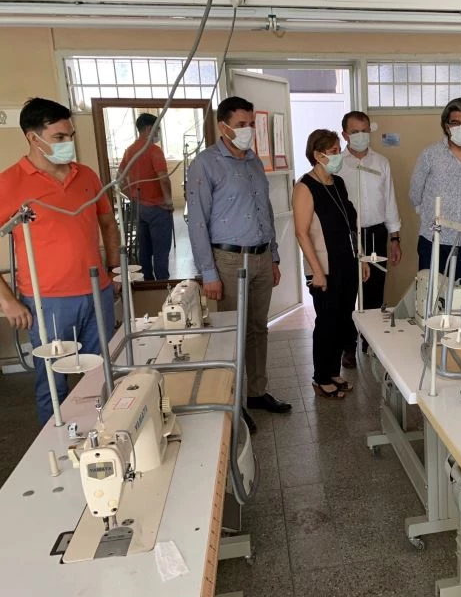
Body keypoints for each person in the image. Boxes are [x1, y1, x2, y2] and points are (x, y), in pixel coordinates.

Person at [0, 97, 118, 425]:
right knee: (53, 385)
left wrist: (113, 270)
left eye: (70, 136)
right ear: (32, 137)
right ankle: (60, 444)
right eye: (59, 137)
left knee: (103, 374)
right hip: (48, 302)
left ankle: (106, 436)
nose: (68, 143)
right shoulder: (9, 183)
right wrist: (8, 301)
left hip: (97, 293)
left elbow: (108, 223)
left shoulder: (86, 176)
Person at [186, 96, 292, 432]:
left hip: (261, 257)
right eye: (241, 125)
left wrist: (273, 256)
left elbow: (266, 212)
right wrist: (208, 273)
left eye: (251, 124)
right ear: (224, 127)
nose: (248, 130)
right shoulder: (205, 164)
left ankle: (256, 392)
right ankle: (232, 401)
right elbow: (197, 222)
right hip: (228, 260)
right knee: (231, 332)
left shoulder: (254, 162)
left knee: (259, 328)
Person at [292, 129, 369, 399]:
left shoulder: (338, 183)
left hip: (347, 261)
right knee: (326, 322)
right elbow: (301, 233)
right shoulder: (305, 187)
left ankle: (334, 371)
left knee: (341, 319)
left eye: (338, 150)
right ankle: (321, 377)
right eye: (334, 151)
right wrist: (317, 272)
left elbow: (350, 225)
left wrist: (361, 257)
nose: (339, 155)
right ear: (318, 155)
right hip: (323, 267)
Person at [338, 110, 401, 363]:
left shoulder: (381, 162)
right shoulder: (337, 163)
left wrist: (395, 238)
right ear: (345, 134)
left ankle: (370, 343)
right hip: (346, 236)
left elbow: (390, 201)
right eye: (355, 132)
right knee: (348, 291)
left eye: (364, 131)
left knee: (374, 291)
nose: (361, 136)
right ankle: (348, 345)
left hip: (376, 233)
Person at [409, 97, 461, 284]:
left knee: (460, 296)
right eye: (455, 122)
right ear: (446, 125)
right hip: (432, 240)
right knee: (429, 294)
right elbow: (415, 193)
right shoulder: (431, 154)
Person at [118, 113, 173, 280]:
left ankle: (147, 283)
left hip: (139, 208)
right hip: (157, 208)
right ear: (150, 128)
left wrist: (132, 196)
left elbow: (119, 178)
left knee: (144, 250)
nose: (158, 133)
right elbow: (163, 178)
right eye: (157, 129)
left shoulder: (130, 150)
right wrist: (168, 202)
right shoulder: (153, 150)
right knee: (161, 251)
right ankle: (162, 286)